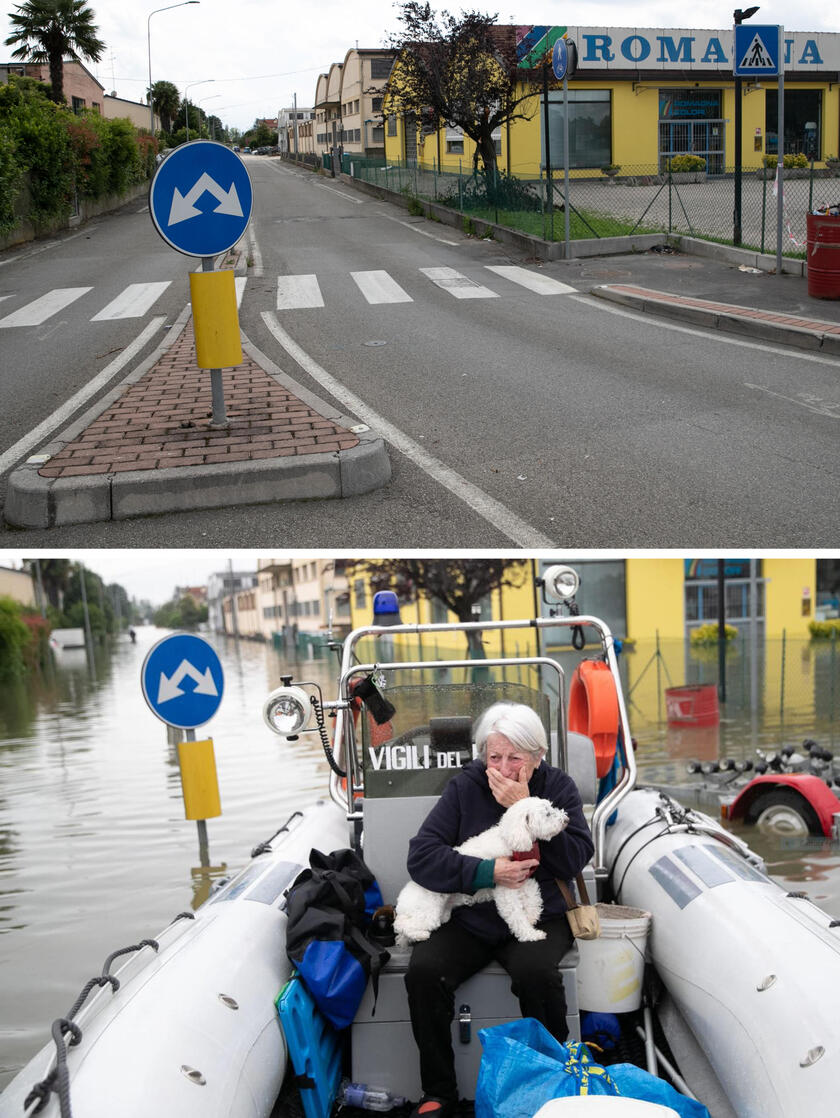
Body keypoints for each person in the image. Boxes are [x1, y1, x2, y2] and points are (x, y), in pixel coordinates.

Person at [403, 701, 595, 1118]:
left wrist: (523, 804)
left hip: (536, 913)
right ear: (482, 755)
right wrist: (486, 871)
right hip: (473, 917)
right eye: (494, 757)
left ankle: (554, 1084)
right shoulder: (465, 786)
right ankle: (439, 1091)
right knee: (423, 973)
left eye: (515, 758)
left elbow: (572, 860)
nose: (503, 769)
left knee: (537, 975)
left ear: (538, 757)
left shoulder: (557, 787)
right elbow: (422, 858)